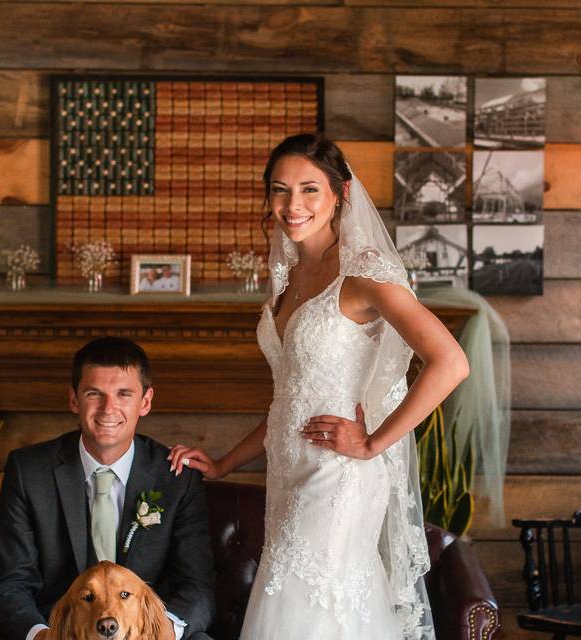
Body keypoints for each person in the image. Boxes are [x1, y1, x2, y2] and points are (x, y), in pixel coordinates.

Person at [167, 134, 469, 639]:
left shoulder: (364, 272)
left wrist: (372, 442)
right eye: (280, 190)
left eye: (310, 190)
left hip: (341, 473)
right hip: (289, 472)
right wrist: (223, 463)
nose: (293, 205)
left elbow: (450, 362)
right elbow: (290, 400)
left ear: (340, 194)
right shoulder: (286, 277)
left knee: (297, 603)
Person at [0, 337, 216, 640]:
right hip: (56, 630)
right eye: (95, 394)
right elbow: (11, 583)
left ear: (145, 402)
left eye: (124, 394)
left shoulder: (176, 477)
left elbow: (197, 586)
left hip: (145, 631)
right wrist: (43, 636)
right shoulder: (29, 471)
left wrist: (163, 633)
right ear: (74, 399)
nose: (109, 409)